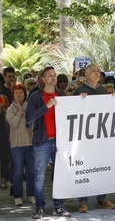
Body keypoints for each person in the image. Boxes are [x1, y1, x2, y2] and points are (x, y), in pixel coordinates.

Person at [26, 66, 71, 219]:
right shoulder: (35, 96)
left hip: (59, 142)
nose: (53, 77)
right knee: (39, 176)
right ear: (43, 79)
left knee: (59, 175)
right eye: (50, 75)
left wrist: (81, 98)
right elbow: (28, 117)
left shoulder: (62, 96)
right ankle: (39, 207)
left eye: (54, 75)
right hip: (42, 142)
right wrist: (47, 107)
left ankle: (58, 205)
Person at [73, 64, 115, 213]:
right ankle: (83, 201)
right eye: (93, 71)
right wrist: (78, 102)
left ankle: (102, 199)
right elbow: (73, 113)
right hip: (85, 137)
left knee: (102, 167)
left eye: (98, 71)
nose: (97, 73)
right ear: (86, 75)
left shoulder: (103, 90)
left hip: (100, 136)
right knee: (84, 168)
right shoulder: (79, 91)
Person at [6, 84, 35, 206]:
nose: (19, 95)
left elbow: (34, 124)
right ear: (13, 95)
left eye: (21, 93)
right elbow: (13, 124)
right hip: (16, 145)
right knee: (18, 171)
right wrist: (20, 111)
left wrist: (24, 111)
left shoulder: (31, 108)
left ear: (25, 94)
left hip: (30, 144)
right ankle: (17, 196)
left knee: (31, 171)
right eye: (16, 93)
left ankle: (31, 194)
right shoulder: (10, 109)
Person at [0, 81, 10, 190]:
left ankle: (3, 178)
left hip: (2, 129)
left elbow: (8, 112)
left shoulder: (3, 97)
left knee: (4, 154)